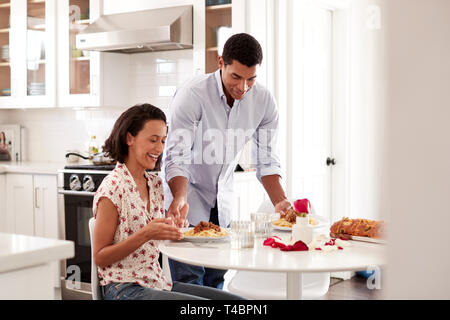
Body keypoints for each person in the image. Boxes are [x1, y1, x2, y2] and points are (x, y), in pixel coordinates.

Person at [163, 33, 292, 289]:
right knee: (191, 284)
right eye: (236, 77)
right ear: (221, 62)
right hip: (187, 201)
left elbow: (266, 159)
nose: (243, 87)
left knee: (216, 280)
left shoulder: (264, 102)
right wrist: (179, 198)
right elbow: (176, 155)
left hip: (223, 205)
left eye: (251, 78)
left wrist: (280, 201)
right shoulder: (193, 94)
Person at [93, 103, 244, 300]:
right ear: (129, 138)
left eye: (163, 141)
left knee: (238, 303)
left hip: (157, 282)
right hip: (123, 288)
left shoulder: (155, 183)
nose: (159, 148)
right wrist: (146, 234)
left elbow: (156, 239)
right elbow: (100, 256)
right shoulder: (113, 188)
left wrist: (175, 228)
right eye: (153, 140)